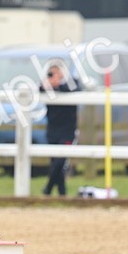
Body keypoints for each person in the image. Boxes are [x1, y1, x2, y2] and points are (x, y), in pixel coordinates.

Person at [41, 62, 78, 197]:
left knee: (59, 162)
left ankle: (48, 189)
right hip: (52, 131)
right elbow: (38, 89)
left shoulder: (71, 83)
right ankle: (62, 193)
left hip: (67, 131)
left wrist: (58, 85)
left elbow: (74, 88)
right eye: (51, 73)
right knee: (55, 164)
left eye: (56, 72)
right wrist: (48, 85)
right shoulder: (46, 87)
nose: (53, 76)